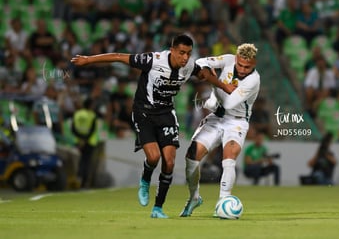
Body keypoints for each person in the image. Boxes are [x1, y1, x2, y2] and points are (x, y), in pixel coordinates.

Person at [71, 34, 235, 218]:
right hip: (144, 113)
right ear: (172, 50)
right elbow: (118, 56)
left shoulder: (189, 66)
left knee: (170, 161)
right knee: (154, 157)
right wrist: (87, 60)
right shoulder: (153, 60)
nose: (185, 58)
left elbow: (205, 74)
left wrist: (225, 87)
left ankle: (158, 208)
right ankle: (145, 179)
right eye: (181, 53)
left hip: (166, 113)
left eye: (188, 53)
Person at [179, 43, 260, 217]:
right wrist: (210, 73)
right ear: (236, 59)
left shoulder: (253, 80)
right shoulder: (228, 60)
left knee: (229, 157)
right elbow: (200, 61)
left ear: (254, 64)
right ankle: (194, 197)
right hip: (216, 118)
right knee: (192, 156)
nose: (243, 69)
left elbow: (230, 103)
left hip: (237, 122)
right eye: (240, 65)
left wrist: (213, 80)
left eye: (248, 67)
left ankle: (223, 201)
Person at [71, 98, 99, 188]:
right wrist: (85, 139)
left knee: (78, 161)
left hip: (78, 142)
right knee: (86, 162)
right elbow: (92, 129)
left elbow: (73, 128)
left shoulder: (77, 114)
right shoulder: (92, 115)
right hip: (89, 142)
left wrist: (80, 139)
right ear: (90, 105)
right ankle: (84, 182)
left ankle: (77, 178)